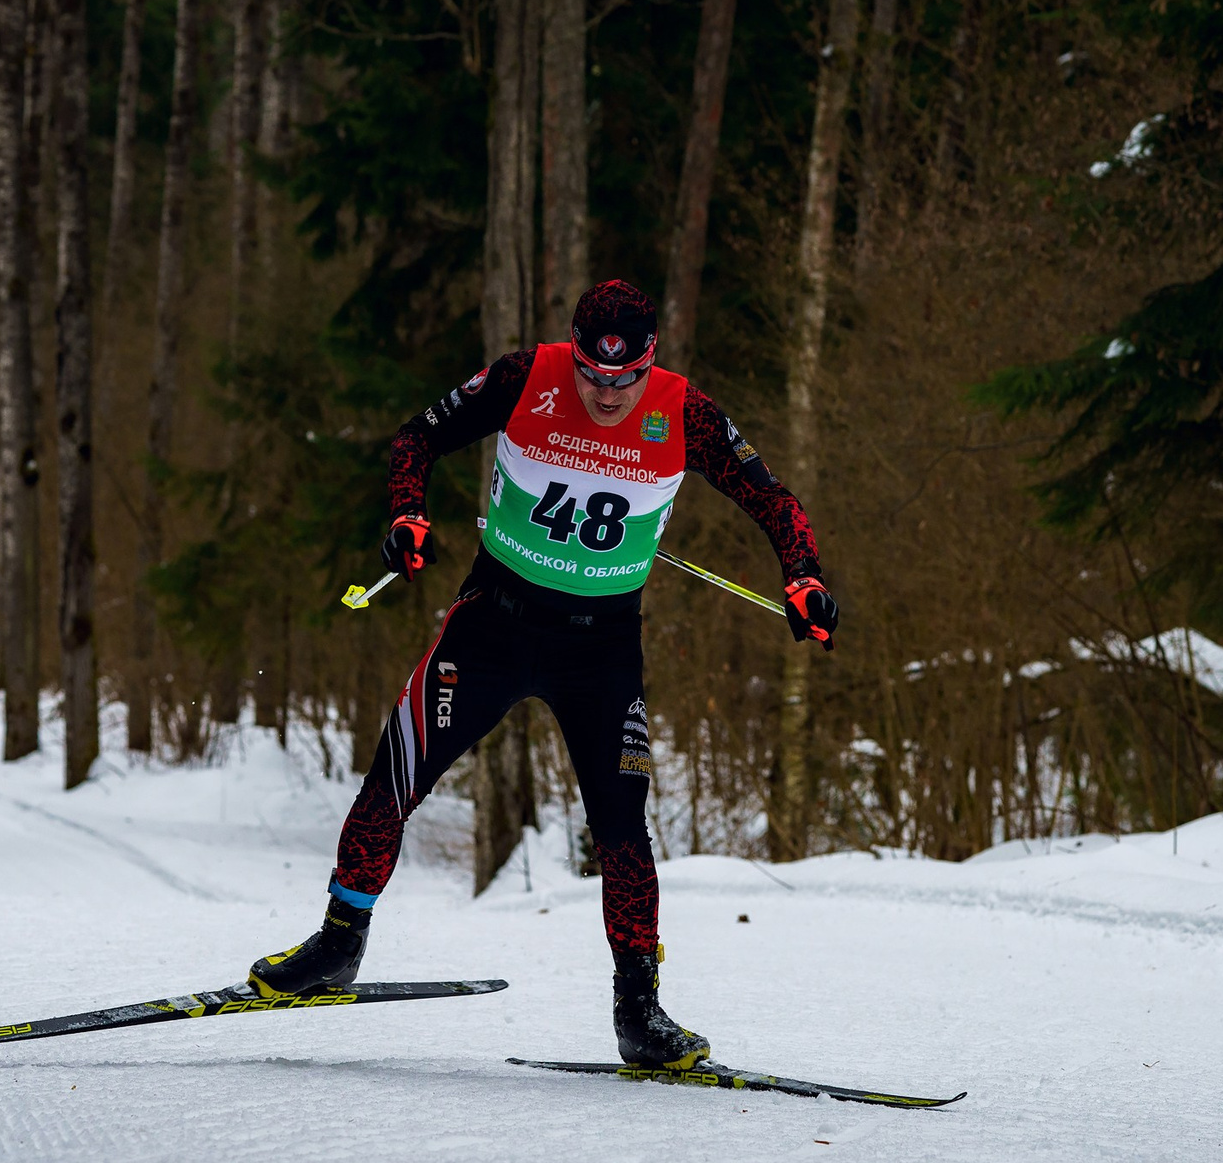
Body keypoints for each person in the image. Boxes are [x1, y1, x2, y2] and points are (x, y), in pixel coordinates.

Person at [248, 279, 838, 1067]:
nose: (604, 392)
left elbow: (772, 498)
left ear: (649, 363)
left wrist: (803, 576)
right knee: (398, 766)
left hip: (601, 649)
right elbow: (415, 438)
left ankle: (640, 1013)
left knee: (624, 824)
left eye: (623, 380)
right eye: (592, 373)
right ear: (574, 348)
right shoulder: (526, 375)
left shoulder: (684, 412)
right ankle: (337, 942)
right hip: (496, 619)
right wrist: (406, 514)